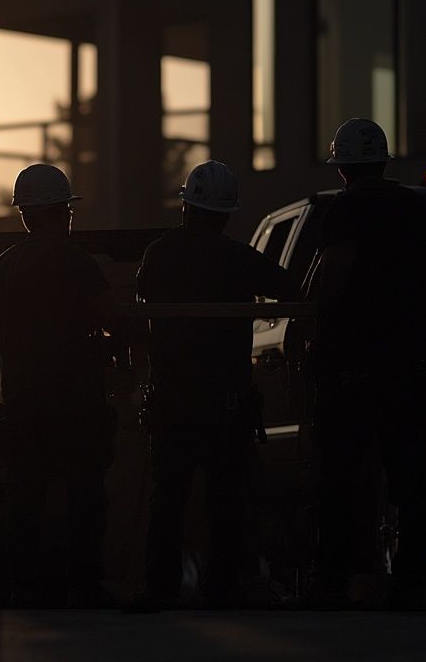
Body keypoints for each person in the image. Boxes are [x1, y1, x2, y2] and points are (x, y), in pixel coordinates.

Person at [131, 161, 298, 610]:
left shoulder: (159, 254)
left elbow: (139, 304)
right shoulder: (237, 259)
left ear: (186, 206)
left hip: (174, 398)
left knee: (169, 496)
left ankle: (160, 588)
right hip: (226, 402)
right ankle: (224, 586)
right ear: (226, 214)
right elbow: (291, 289)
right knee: (227, 498)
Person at [307, 118, 426, 603]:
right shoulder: (415, 207)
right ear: (384, 161)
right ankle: (412, 575)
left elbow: (334, 275)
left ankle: (334, 576)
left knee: (340, 474)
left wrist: (318, 335)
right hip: (407, 358)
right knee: (410, 470)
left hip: (355, 360)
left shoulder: (346, 209)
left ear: (343, 168)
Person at [0, 163, 117, 608]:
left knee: (25, 499)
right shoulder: (74, 261)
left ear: (24, 214)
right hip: (76, 403)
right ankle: (84, 585)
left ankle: (17, 587)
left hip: (22, 402)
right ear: (64, 213)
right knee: (85, 497)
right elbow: (111, 318)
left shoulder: (0, 270)